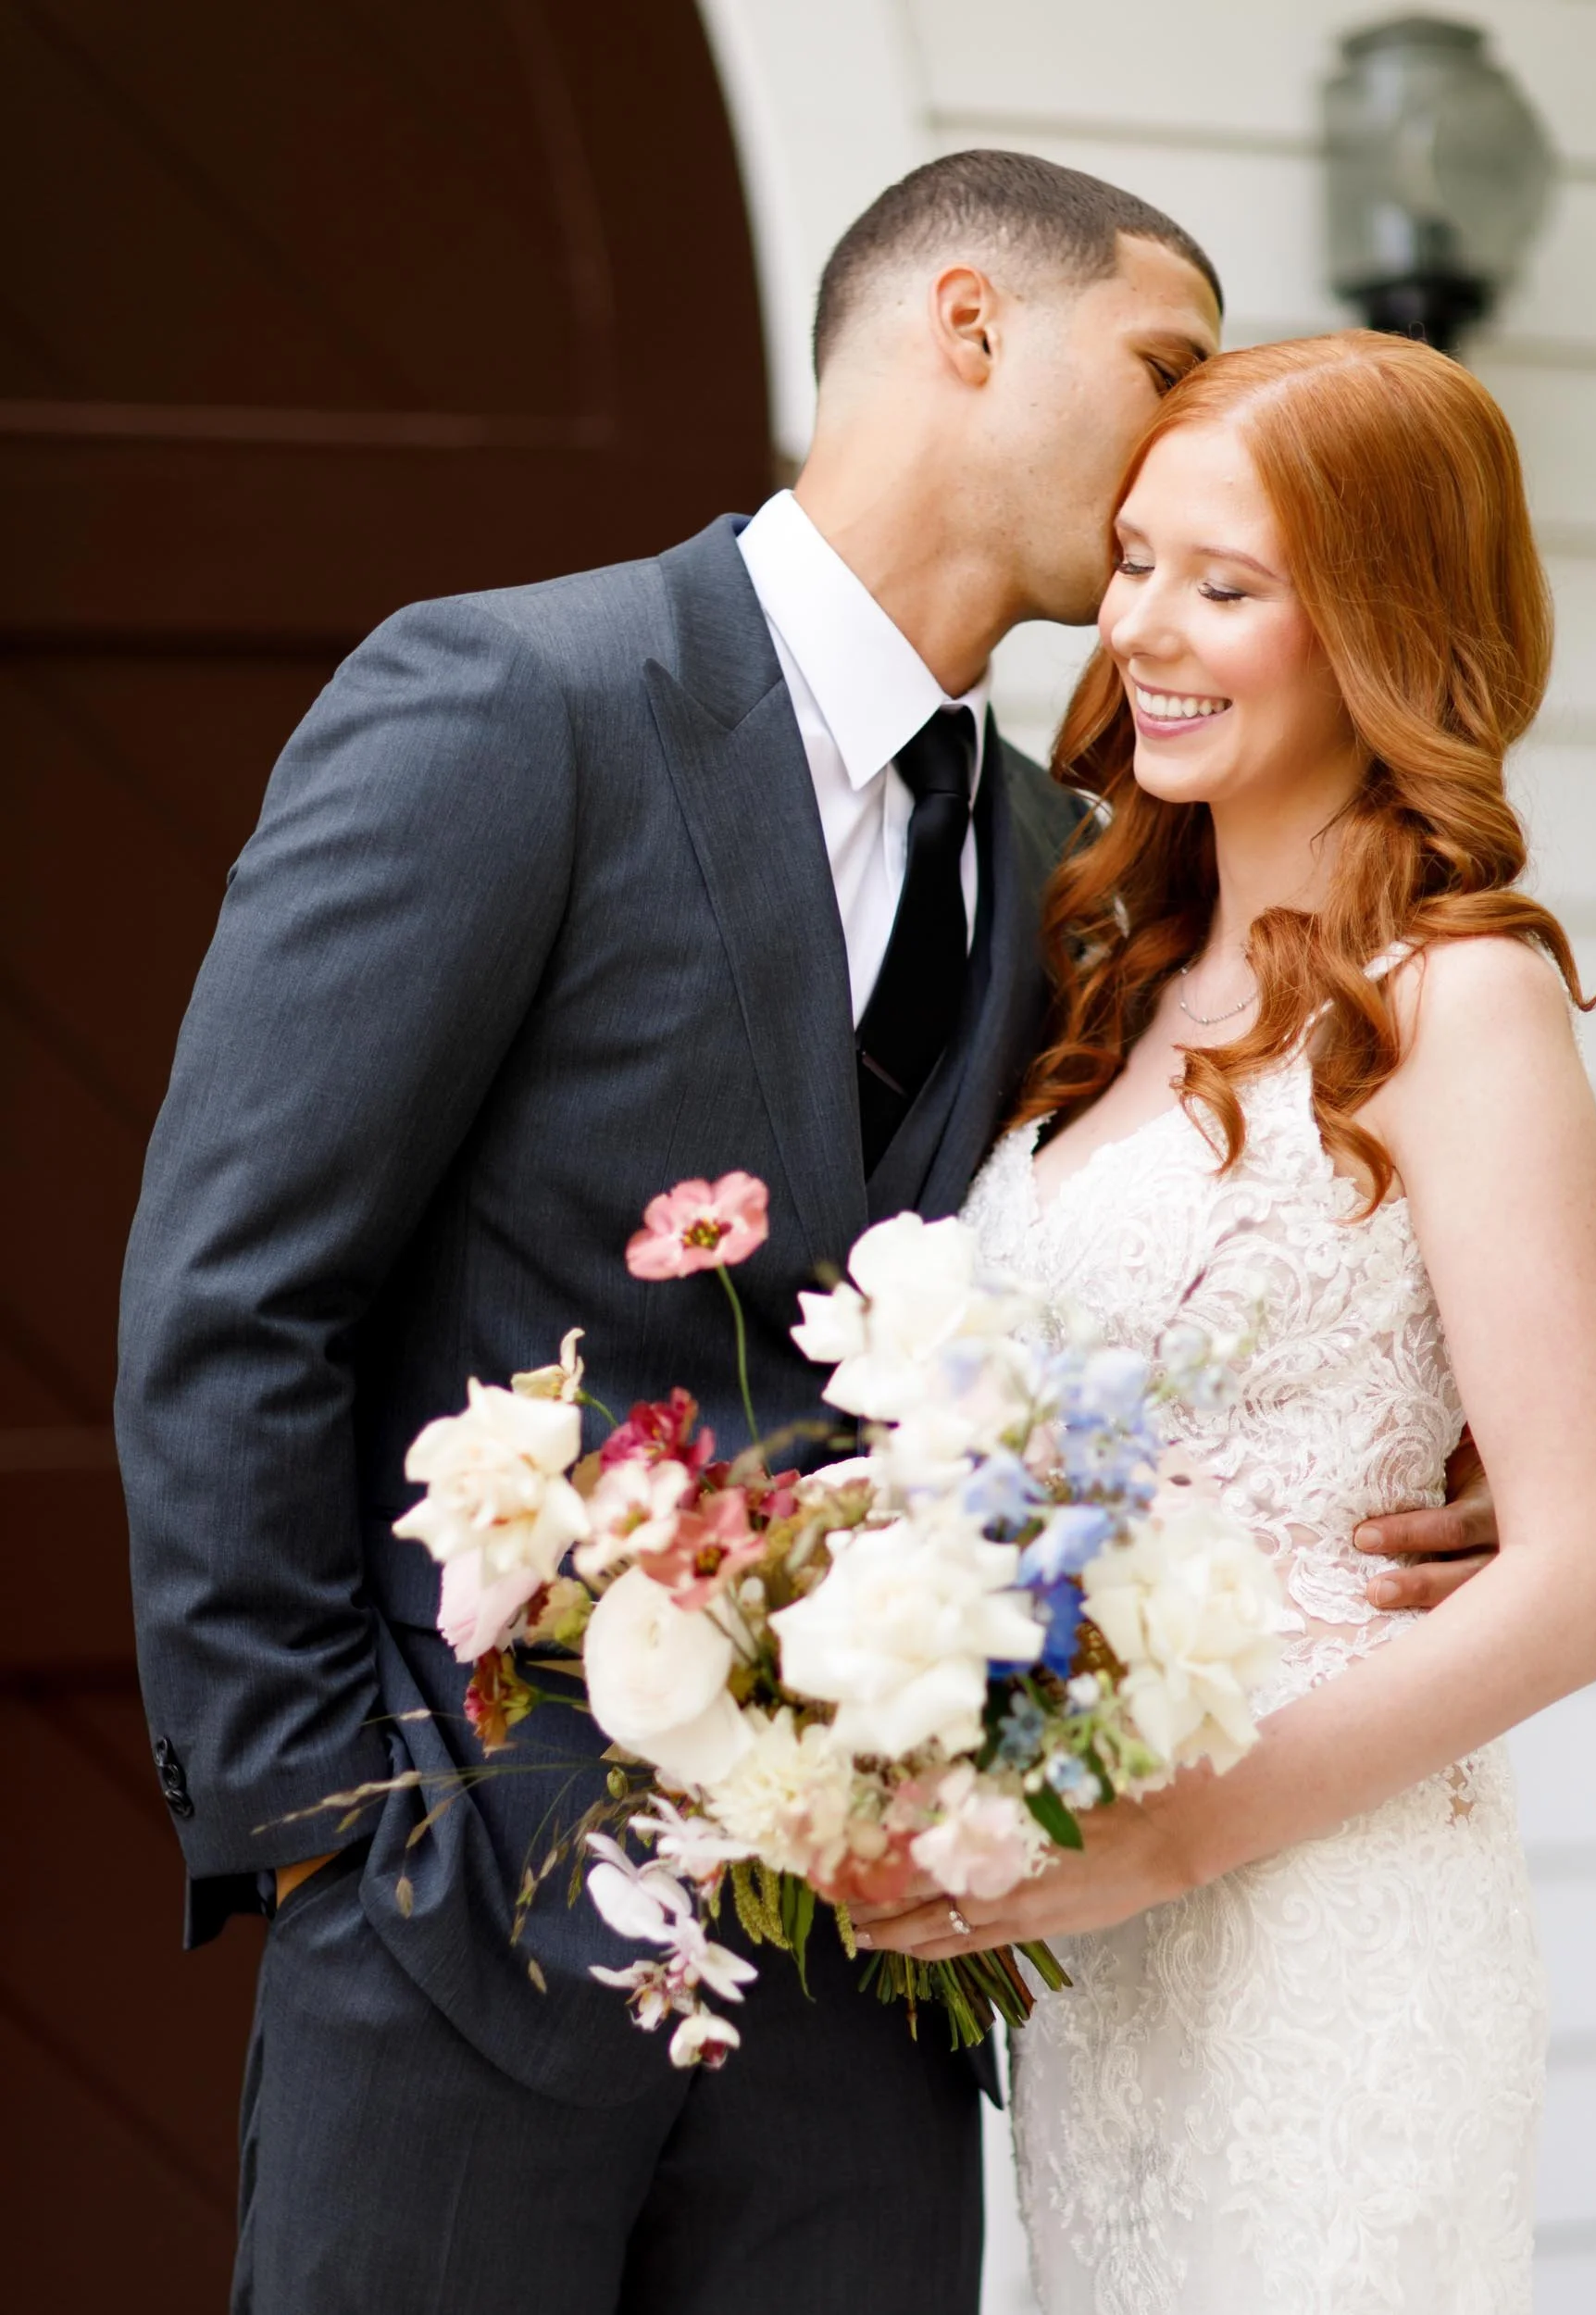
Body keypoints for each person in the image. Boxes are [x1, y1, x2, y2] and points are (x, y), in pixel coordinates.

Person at [117, 156, 1495, 2314]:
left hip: (877, 1995)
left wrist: (1442, 1430)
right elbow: (234, 1297)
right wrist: (345, 1827)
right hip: (463, 1935)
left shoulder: (1074, 862)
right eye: (1157, 366)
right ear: (967, 325)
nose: (1184, 433)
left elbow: (1165, 1255)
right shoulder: (514, 707)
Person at [854, 332, 1596, 2312]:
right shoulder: (1109, 978)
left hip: (1328, 1925)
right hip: (1107, 1969)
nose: (1145, 628)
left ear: (1378, 623)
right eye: (1136, 562)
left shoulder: (1457, 993)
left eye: (1227, 585)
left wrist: (1174, 1833)